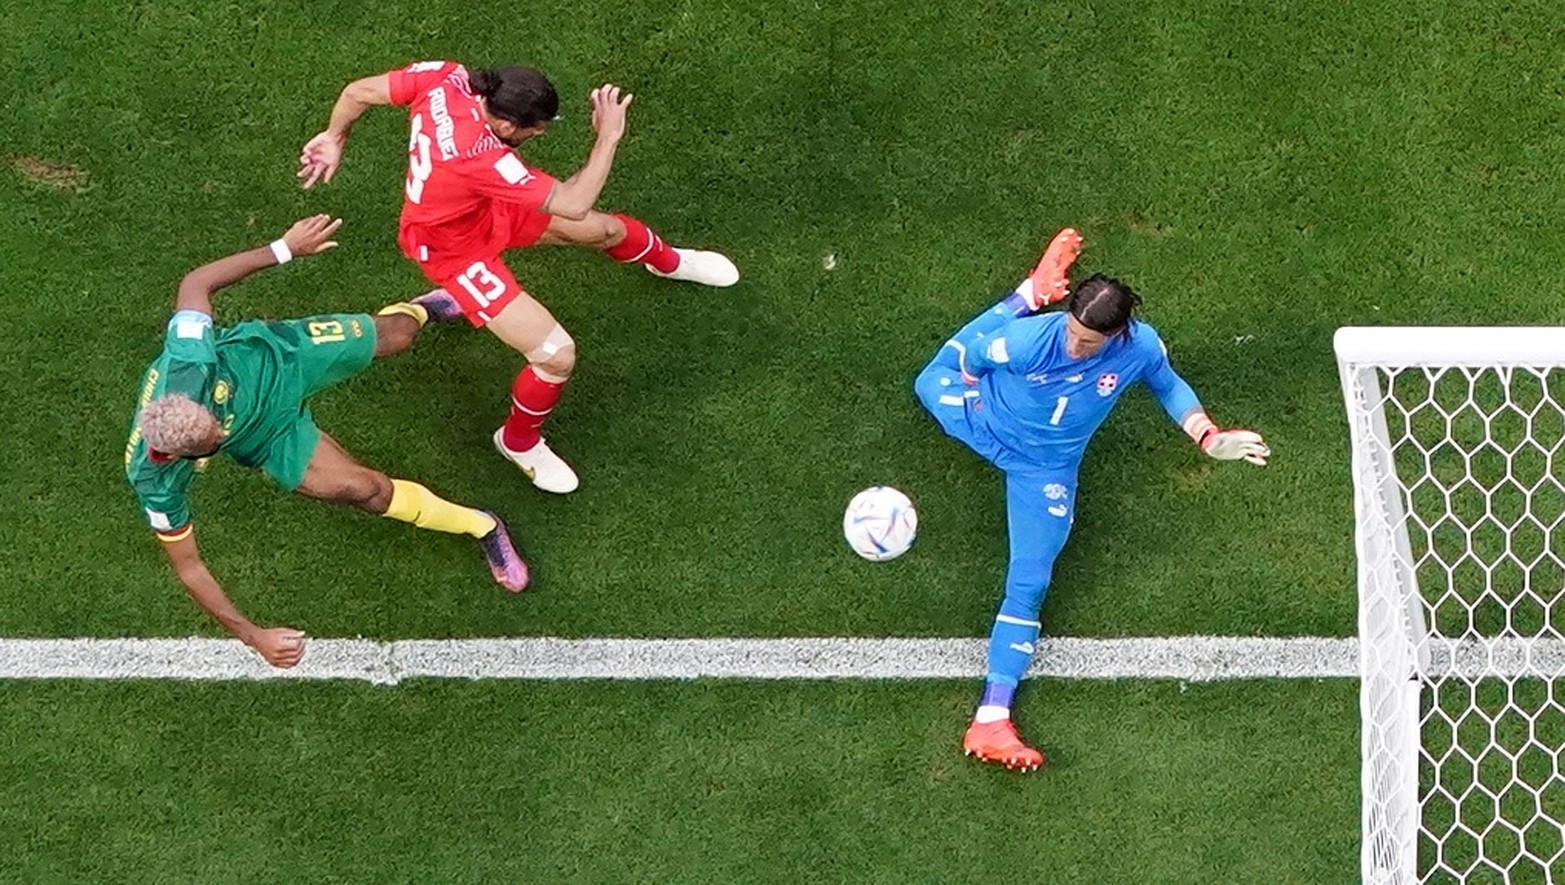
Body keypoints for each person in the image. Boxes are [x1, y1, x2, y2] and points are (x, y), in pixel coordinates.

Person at [913, 228, 1271, 771]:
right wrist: (974, 393)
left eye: (1088, 342)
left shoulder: (1139, 348)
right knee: (929, 379)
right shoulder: (1029, 341)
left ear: (1118, 333)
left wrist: (1207, 435)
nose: (1075, 346)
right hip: (982, 422)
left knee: (1030, 582)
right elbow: (974, 358)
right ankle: (1030, 293)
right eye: (1073, 333)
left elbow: (1168, 384)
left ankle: (991, 719)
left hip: (1045, 470)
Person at [296, 61, 740, 494]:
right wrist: (608, 137)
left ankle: (669, 261)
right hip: (454, 250)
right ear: (507, 125)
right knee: (556, 356)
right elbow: (573, 203)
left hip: (482, 205)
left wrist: (335, 136)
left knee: (608, 231)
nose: (541, 134)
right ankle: (518, 442)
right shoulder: (483, 158)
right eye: (537, 129)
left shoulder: (447, 77)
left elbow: (358, 91)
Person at [125, 215, 529, 669]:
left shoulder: (189, 359)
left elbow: (196, 282)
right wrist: (253, 636)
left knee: (398, 336)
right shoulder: (154, 481)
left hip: (282, 355)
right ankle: (483, 526)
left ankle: (423, 310)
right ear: (176, 455)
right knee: (362, 490)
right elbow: (190, 568)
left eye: (216, 423)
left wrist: (284, 248)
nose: (221, 430)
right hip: (267, 436)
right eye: (215, 440)